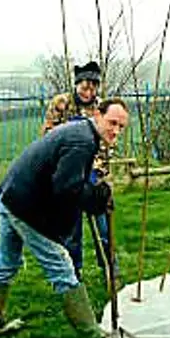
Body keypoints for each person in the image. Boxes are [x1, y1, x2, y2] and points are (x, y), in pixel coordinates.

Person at [0, 97, 130, 338]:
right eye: (112, 123)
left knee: (6, 263)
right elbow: (66, 189)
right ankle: (92, 335)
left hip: (8, 195)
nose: (116, 131)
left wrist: (91, 193)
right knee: (61, 264)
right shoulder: (83, 142)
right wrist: (96, 196)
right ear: (98, 115)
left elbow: (66, 181)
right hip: (24, 205)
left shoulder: (80, 131)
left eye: (121, 127)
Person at [41, 61, 121, 286]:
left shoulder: (101, 108)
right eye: (84, 87)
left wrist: (99, 172)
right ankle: (73, 276)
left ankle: (111, 271)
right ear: (77, 85)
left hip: (95, 175)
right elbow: (48, 138)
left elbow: (107, 141)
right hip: (69, 177)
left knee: (104, 229)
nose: (89, 92)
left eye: (93, 88)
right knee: (71, 232)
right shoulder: (61, 104)